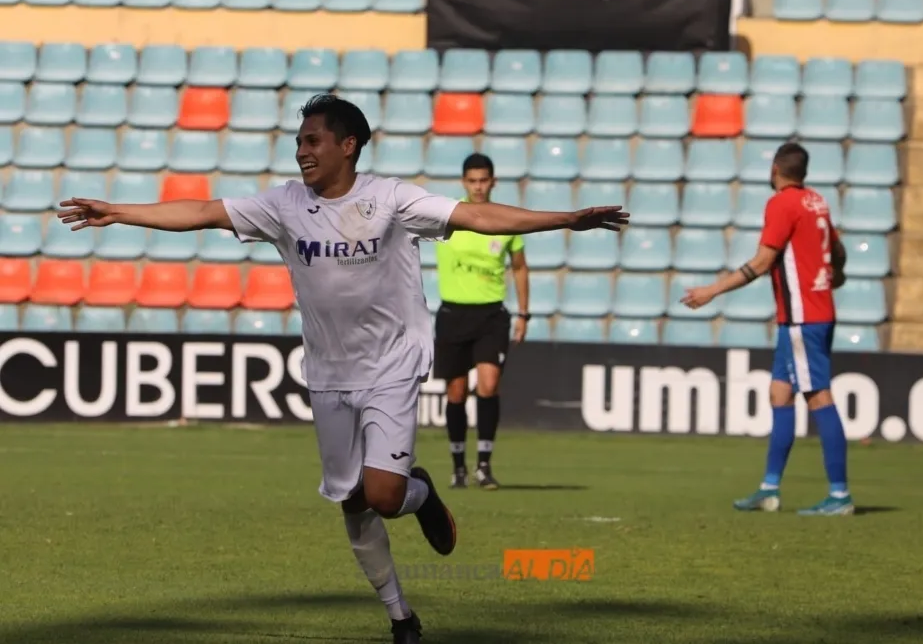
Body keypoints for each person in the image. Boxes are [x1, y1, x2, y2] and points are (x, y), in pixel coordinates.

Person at [57, 94, 628, 643]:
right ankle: (401, 617)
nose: (301, 151)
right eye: (298, 141)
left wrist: (565, 219)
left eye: (313, 140)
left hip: (391, 365)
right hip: (328, 374)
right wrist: (120, 211)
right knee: (351, 500)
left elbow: (478, 216)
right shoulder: (283, 204)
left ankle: (420, 495)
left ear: (348, 145)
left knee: (382, 496)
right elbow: (204, 211)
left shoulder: (392, 199)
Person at [680, 142, 854, 516]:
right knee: (780, 392)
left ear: (776, 168)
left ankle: (840, 495)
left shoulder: (782, 203)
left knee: (819, 397)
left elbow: (762, 262)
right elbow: (838, 251)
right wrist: (833, 276)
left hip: (802, 317)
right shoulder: (816, 201)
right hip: (808, 312)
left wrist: (711, 290)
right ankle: (769, 490)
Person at [433, 153, 529, 491]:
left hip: (491, 315)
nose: (478, 186)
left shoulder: (504, 221)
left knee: (488, 385)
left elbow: (519, 266)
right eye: (472, 180)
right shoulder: (447, 217)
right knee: (456, 392)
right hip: (453, 313)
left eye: (483, 180)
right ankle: (458, 466)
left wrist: (523, 313)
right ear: (464, 182)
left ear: (492, 181)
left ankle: (484, 465)